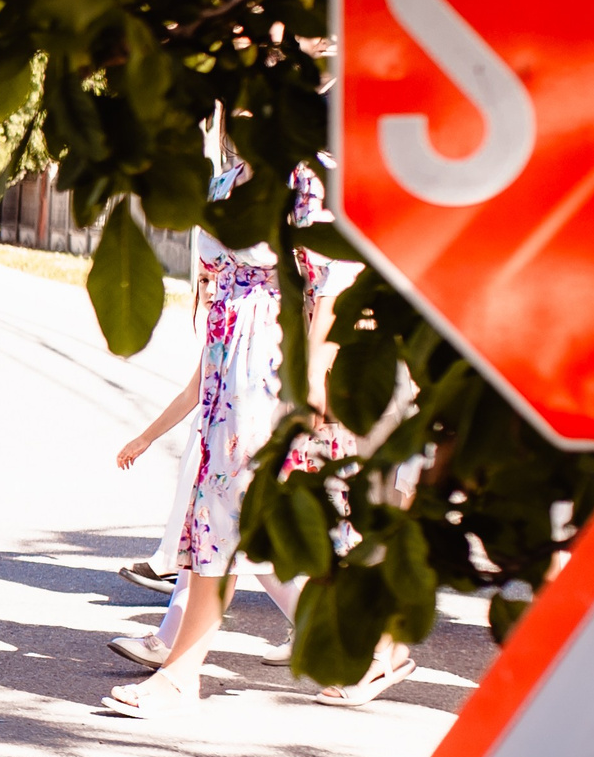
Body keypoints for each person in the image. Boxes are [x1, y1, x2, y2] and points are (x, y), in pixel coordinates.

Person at [101, 157, 411, 716]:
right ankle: (369, 647)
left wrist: (312, 380)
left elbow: (333, 282)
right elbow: (214, 281)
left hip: (273, 364)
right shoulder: (226, 178)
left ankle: (183, 672)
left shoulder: (306, 176)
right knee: (232, 518)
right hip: (228, 365)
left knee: (242, 515)